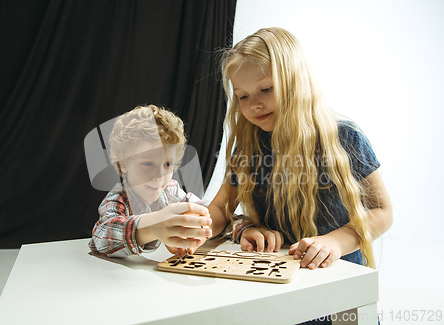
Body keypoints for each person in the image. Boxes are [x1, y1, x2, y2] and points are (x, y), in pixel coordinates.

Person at [208, 27, 393, 273]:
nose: (254, 104)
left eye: (266, 89)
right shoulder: (249, 145)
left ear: (295, 81)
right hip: (275, 276)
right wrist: (195, 227)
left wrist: (336, 241)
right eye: (243, 96)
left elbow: (381, 211)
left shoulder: (346, 138)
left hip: (336, 279)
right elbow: (221, 208)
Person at [89, 105, 212, 258]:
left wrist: (239, 228)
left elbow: (211, 212)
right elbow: (101, 239)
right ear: (124, 164)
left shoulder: (170, 191)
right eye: (148, 164)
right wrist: (154, 226)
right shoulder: (118, 198)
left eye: (168, 165)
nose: (159, 176)